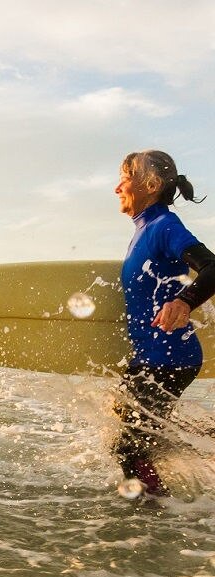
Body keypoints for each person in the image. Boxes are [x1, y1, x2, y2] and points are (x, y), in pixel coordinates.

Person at [112, 149, 215, 496]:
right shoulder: (143, 230)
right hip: (151, 356)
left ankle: (157, 518)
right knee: (127, 430)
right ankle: (197, 454)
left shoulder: (164, 226)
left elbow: (212, 267)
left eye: (124, 177)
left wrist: (185, 301)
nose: (117, 188)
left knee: (127, 448)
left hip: (169, 357)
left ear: (150, 184)